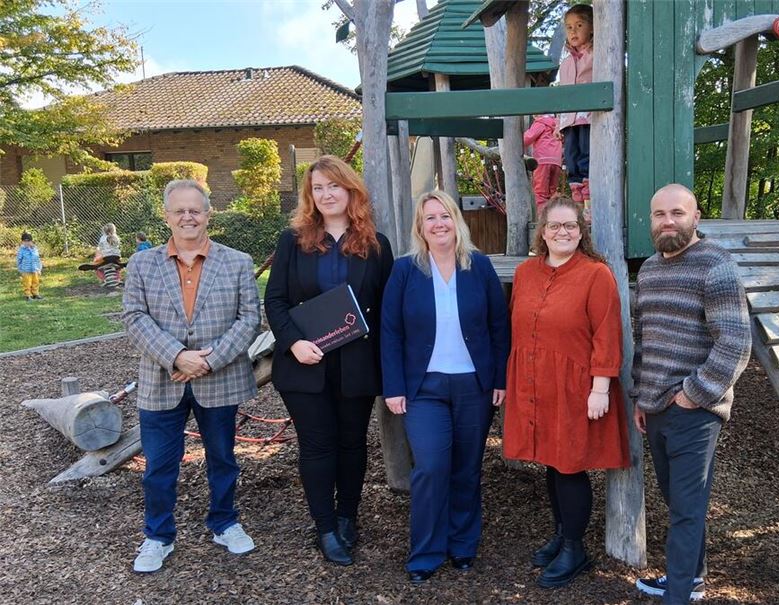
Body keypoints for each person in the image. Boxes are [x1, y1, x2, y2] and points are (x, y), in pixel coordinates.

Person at [123, 179, 260, 573]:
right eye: (179, 210)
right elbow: (134, 318)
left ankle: (225, 522)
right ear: (166, 216)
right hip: (161, 381)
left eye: (195, 210)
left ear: (207, 214)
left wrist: (208, 360)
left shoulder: (236, 262)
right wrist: (177, 356)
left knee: (223, 458)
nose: (188, 217)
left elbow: (250, 318)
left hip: (219, 379)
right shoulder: (142, 263)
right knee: (159, 466)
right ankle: (158, 535)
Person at [264, 155, 394, 565]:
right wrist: (294, 342)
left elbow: (386, 307)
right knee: (318, 446)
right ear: (310, 195)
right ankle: (324, 526)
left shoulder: (375, 244)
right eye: (317, 189)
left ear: (350, 189)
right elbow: (276, 301)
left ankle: (347, 517)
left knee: (352, 444)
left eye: (333, 186)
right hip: (306, 365)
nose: (326, 195)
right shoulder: (293, 241)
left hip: (356, 363)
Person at [380, 190, 510, 585]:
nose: (438, 224)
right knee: (432, 467)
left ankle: (463, 545)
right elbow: (390, 332)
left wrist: (500, 378)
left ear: (457, 221)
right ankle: (426, 551)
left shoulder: (480, 266)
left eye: (444, 216)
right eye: (429, 218)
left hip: (474, 385)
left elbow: (499, 326)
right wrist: (394, 386)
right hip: (424, 388)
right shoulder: (405, 271)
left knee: (467, 468)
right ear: (420, 227)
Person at [632, 184, 751, 603]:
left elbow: (735, 341)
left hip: (695, 411)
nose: (668, 221)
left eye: (677, 213)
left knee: (686, 508)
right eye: (660, 214)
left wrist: (694, 394)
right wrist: (640, 398)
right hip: (657, 406)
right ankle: (693, 578)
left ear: (696, 217)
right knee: (679, 502)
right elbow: (645, 338)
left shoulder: (715, 265)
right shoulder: (648, 269)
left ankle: (678, 594)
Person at [503, 196, 631, 588]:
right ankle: (561, 534)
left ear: (581, 231)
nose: (563, 232)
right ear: (542, 232)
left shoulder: (596, 274)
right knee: (550, 461)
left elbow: (607, 334)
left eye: (570, 226)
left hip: (576, 387)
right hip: (533, 383)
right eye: (555, 226)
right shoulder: (526, 272)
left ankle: (576, 549)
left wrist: (600, 389)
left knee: (570, 464)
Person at [557, 4, 593, 204]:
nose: (573, 31)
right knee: (571, 160)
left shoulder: (598, 55)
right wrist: (557, 124)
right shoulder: (566, 63)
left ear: (592, 28)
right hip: (569, 121)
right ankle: (578, 206)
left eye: (579, 25)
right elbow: (563, 95)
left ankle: (589, 203)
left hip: (588, 117)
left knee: (586, 158)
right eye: (569, 27)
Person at [523, 114, 563, 211]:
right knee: (552, 191)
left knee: (540, 191)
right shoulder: (558, 124)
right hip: (557, 161)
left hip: (542, 160)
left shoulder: (540, 123)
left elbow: (527, 139)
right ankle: (553, 214)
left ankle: (542, 217)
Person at [16, 232, 43, 301]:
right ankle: (28, 295)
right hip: (26, 270)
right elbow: (19, 260)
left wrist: (39, 268)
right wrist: (20, 268)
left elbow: (38, 259)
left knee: (36, 282)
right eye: (25, 241)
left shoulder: (35, 249)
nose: (27, 243)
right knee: (27, 283)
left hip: (35, 269)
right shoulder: (21, 250)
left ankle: (35, 294)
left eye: (28, 241)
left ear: (31, 241)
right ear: (22, 242)